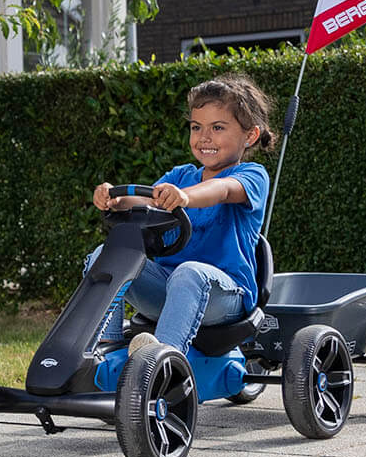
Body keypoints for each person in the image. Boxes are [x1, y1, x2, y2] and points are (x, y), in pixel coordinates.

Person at [91, 74, 276, 355]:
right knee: (106, 254)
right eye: (196, 127)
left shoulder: (252, 175)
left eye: (217, 127)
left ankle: (163, 359)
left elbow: (223, 189)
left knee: (189, 272)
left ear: (250, 135)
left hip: (226, 297)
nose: (204, 137)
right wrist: (116, 200)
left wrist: (186, 196)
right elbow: (146, 200)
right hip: (166, 288)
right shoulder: (181, 175)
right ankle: (106, 349)